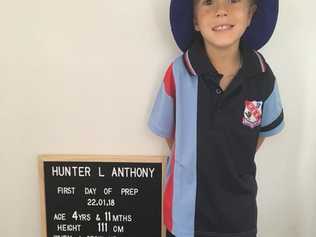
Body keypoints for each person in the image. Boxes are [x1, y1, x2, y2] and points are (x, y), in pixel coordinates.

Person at [148, 0, 285, 236]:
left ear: (251, 14)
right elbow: (171, 135)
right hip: (185, 218)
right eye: (208, 2)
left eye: (233, 0)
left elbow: (261, 133)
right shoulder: (178, 73)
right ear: (194, 20)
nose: (221, 10)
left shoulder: (262, 76)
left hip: (239, 217)